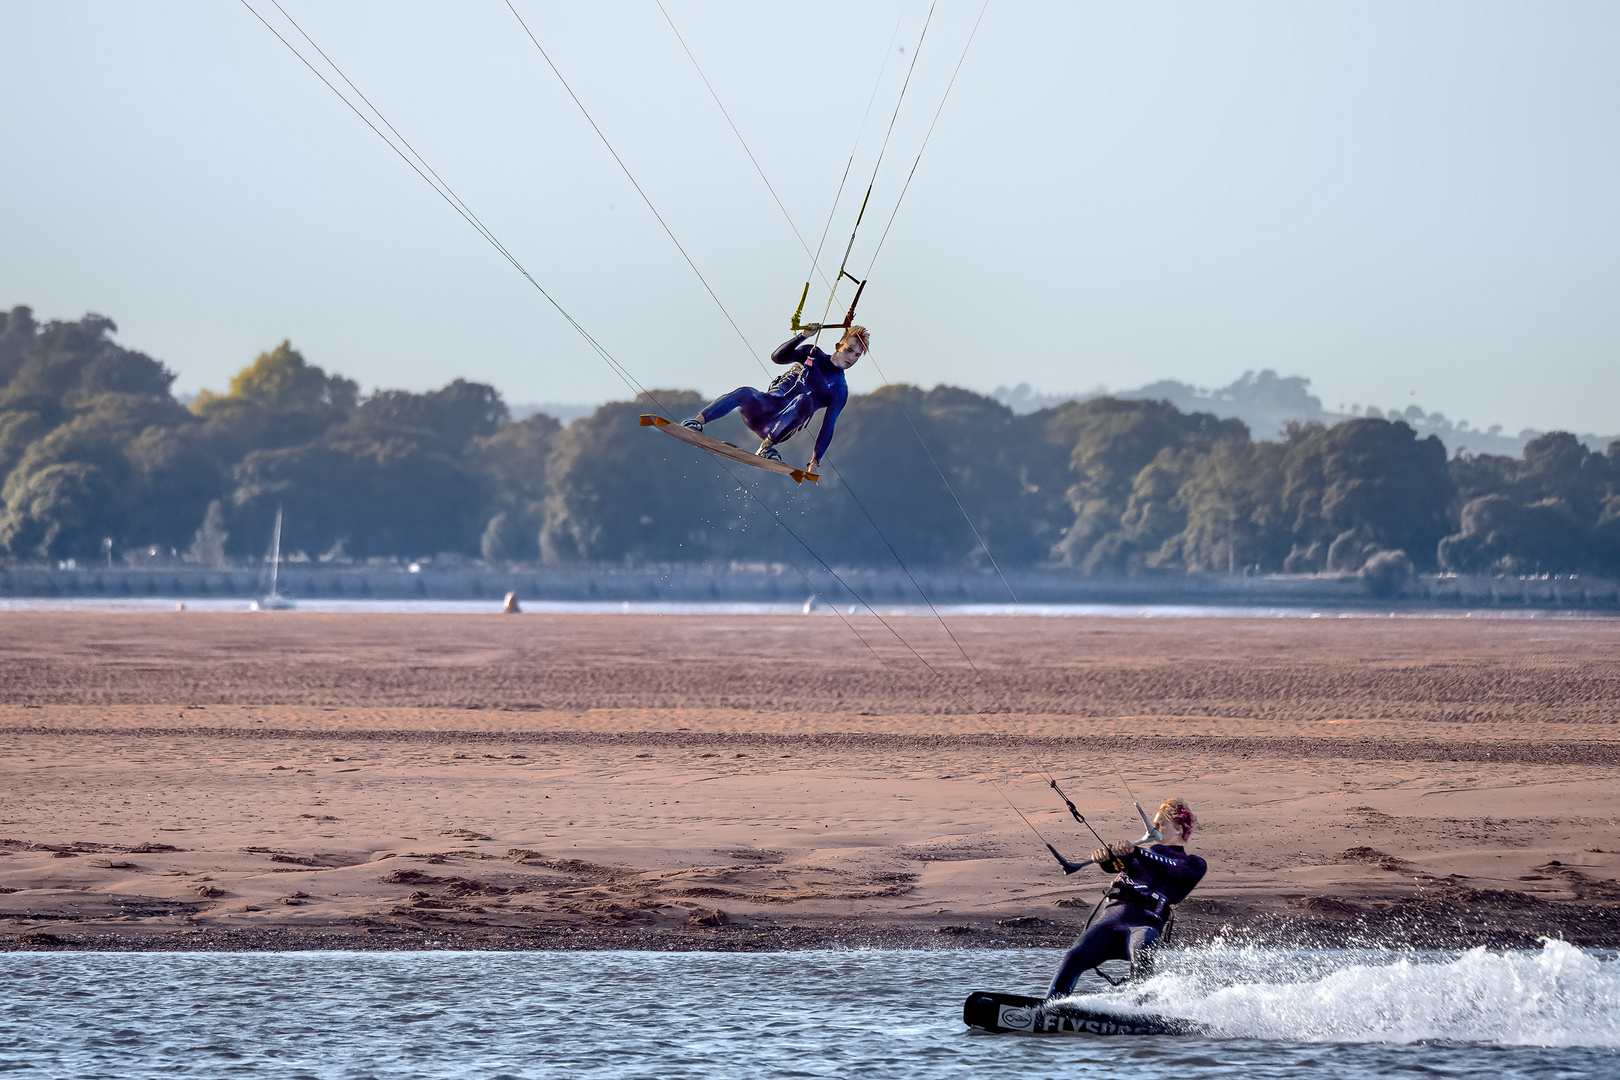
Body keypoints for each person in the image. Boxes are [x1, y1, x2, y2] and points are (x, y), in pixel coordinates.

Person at [1046, 797, 1206, 999]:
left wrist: (1135, 851)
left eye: (1160, 825)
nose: (1154, 829)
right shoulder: (1138, 858)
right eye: (1154, 824)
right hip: (1111, 921)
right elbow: (1116, 864)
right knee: (1074, 956)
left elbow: (1171, 867)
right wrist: (1106, 858)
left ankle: (1141, 1011)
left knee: (1142, 953)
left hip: (1144, 924)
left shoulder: (1194, 864)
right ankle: (1050, 1007)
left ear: (1178, 827)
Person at [682, 323, 868, 473]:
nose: (851, 358)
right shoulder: (812, 353)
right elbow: (777, 358)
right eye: (849, 350)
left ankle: (765, 448)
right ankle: (697, 423)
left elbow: (828, 426)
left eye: (857, 355)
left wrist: (815, 461)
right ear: (839, 345)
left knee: (806, 400)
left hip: (780, 426)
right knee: (745, 392)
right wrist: (802, 336)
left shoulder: (839, 390)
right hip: (764, 407)